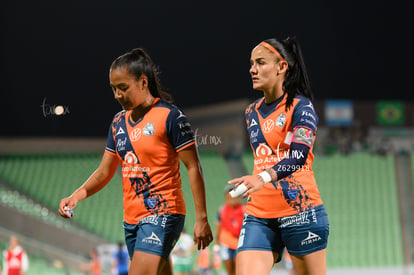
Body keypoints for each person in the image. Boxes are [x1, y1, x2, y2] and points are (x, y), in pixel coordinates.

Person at [59, 47, 213, 275]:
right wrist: (76, 195)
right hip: (132, 221)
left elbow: (193, 166)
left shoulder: (170, 117)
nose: (117, 95)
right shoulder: (117, 123)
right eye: (113, 89)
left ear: (143, 82)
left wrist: (202, 218)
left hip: (163, 213)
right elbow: (104, 172)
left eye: (123, 88)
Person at [228, 37, 329, 275]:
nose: (252, 69)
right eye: (252, 63)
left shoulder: (301, 107)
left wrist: (261, 178)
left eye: (261, 62)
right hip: (259, 215)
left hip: (301, 211)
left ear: (282, 67)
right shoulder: (250, 111)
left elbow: (298, 155)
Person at [214, 186, 245, 275]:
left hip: (239, 243)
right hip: (226, 244)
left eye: (234, 197)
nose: (232, 199)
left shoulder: (244, 210)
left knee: (238, 269)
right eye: (229, 197)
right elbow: (218, 228)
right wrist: (216, 245)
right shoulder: (222, 211)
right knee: (230, 270)